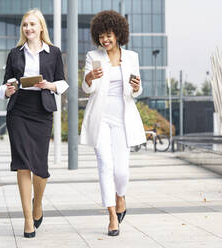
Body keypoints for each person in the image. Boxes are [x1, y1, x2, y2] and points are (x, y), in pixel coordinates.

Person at [0, 9, 68, 238]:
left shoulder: (53, 52)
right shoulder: (14, 53)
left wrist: (49, 86)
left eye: (33, 24)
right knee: (22, 163)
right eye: (25, 25)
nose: (28, 28)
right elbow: (2, 86)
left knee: (41, 169)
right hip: (18, 110)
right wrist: (6, 90)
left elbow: (63, 83)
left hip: (42, 110)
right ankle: (28, 218)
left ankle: (38, 205)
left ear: (41, 27)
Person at [80, 10, 146, 236]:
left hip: (122, 118)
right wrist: (88, 79)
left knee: (121, 171)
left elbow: (136, 90)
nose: (105, 40)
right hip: (100, 118)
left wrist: (137, 87)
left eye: (108, 35)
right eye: (101, 36)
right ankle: (111, 216)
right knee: (104, 166)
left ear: (118, 34)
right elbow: (87, 87)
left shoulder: (132, 57)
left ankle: (120, 196)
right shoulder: (93, 56)